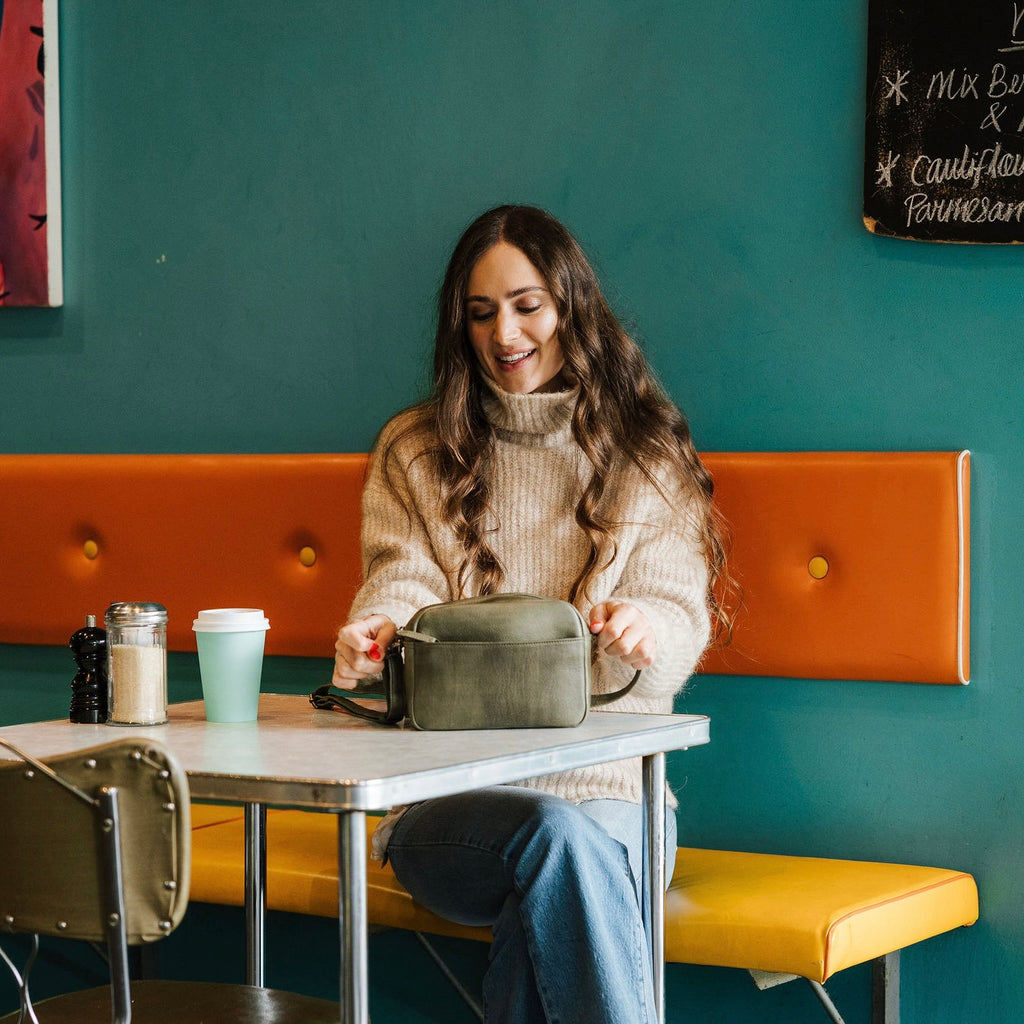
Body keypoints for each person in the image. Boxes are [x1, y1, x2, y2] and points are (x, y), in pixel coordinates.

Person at [332, 205, 730, 1024]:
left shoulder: (644, 450)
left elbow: (676, 606)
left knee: (555, 878)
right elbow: (400, 579)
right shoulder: (415, 449)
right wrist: (376, 633)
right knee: (553, 839)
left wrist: (645, 626)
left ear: (570, 308)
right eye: (481, 314)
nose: (504, 332)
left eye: (527, 305)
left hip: (620, 797)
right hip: (448, 804)